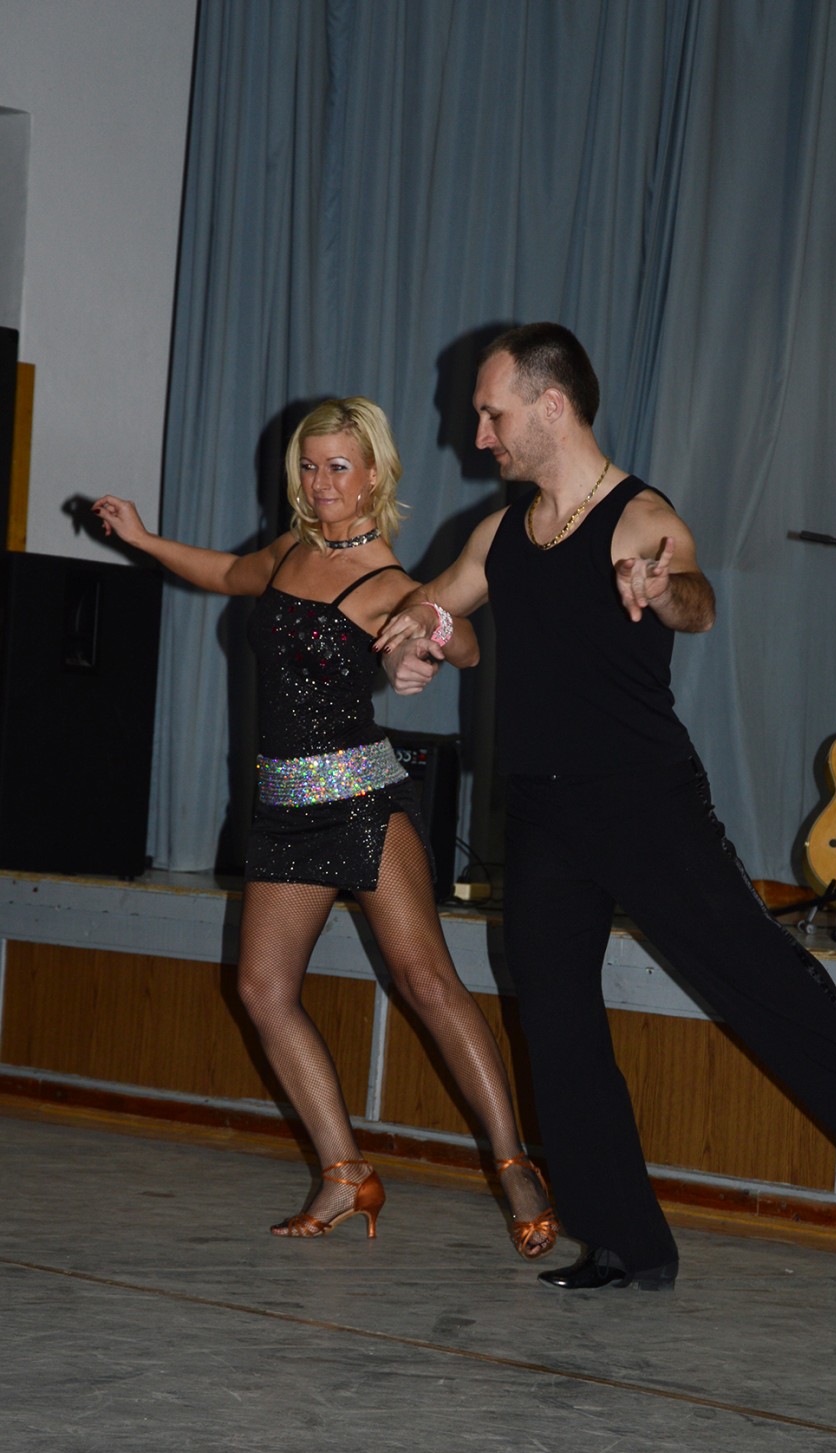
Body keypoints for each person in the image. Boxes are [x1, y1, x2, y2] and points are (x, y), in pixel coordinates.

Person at [376, 323, 836, 1291]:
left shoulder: (640, 517)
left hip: (645, 802)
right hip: (540, 813)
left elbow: (694, 596)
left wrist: (662, 590)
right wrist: (417, 631)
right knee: (557, 1017)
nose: (478, 434)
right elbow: (437, 600)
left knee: (767, 985)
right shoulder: (500, 534)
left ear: (550, 406)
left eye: (492, 414)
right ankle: (625, 1241)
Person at [92, 396, 557, 1260]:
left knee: (425, 982)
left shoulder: (388, 586)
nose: (321, 483)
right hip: (284, 809)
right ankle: (346, 1172)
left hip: (361, 800)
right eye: (309, 467)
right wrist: (144, 540)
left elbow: (462, 646)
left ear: (375, 474)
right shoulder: (289, 551)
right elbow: (225, 574)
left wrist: (425, 640)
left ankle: (513, 1162)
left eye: (338, 466)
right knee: (263, 991)